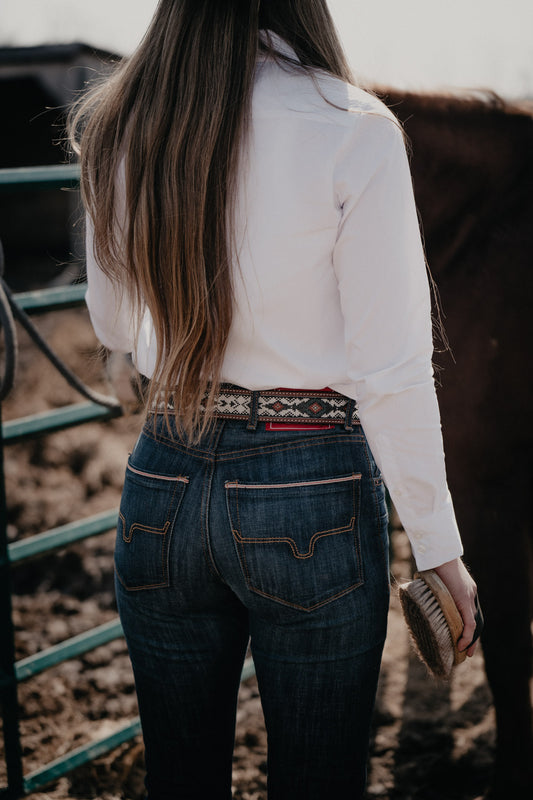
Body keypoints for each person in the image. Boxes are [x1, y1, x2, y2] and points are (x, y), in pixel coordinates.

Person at [69, 1, 479, 798]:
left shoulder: (123, 125)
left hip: (163, 478)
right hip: (310, 486)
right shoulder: (351, 127)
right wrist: (440, 550)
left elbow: (114, 321)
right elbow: (391, 367)